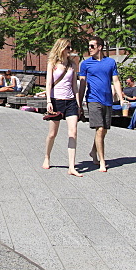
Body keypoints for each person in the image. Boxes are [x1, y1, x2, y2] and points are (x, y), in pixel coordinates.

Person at [78, 35, 123, 173]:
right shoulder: (85, 64)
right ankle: (102, 161)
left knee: (103, 130)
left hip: (107, 100)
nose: (89, 49)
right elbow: (82, 84)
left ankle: (93, 151)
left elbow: (115, 81)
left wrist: (121, 98)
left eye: (92, 46)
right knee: (100, 128)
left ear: (100, 47)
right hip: (93, 99)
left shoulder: (110, 62)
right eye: (88, 46)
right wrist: (79, 103)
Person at [43, 38, 85, 176]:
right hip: (56, 101)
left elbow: (75, 86)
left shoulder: (72, 65)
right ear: (61, 48)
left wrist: (79, 104)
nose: (70, 50)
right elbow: (48, 84)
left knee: (73, 133)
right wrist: (49, 101)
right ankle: (47, 157)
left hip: (70, 102)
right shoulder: (52, 64)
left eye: (70, 47)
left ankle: (72, 167)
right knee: (52, 134)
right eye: (68, 47)